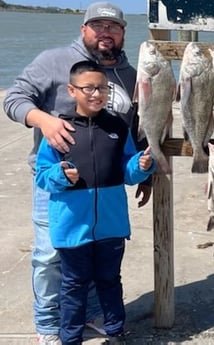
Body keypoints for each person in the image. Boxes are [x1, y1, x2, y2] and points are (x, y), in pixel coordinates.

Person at [2, 2, 150, 343]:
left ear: (123, 33)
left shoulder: (129, 74)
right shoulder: (52, 61)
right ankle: (49, 327)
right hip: (58, 184)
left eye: (113, 27)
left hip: (106, 184)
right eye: (97, 26)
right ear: (83, 29)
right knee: (50, 258)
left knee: (99, 257)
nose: (105, 33)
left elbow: (136, 127)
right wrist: (44, 119)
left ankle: (93, 314)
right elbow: (14, 99)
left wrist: (145, 173)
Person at [35, 61, 155, 345]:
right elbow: (42, 176)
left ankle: (115, 332)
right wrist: (60, 174)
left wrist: (142, 164)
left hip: (111, 227)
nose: (96, 94)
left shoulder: (117, 127)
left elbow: (127, 171)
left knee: (110, 281)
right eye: (88, 88)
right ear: (72, 91)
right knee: (73, 286)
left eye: (102, 88)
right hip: (71, 228)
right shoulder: (59, 130)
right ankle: (71, 338)